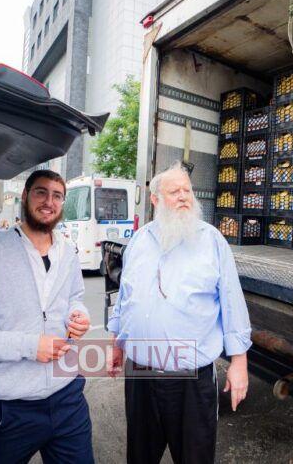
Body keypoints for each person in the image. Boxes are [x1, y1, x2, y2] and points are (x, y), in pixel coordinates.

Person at [106, 162, 252, 464]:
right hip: (141, 375)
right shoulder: (139, 241)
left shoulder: (211, 240)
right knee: (140, 456)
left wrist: (239, 363)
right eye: (174, 191)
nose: (184, 196)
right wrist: (116, 343)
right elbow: (126, 298)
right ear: (156, 199)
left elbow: (232, 303)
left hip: (191, 380)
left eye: (187, 190)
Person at [0, 170, 94, 464]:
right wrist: (30, 346)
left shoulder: (68, 251)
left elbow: (75, 296)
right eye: (41, 192)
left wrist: (79, 314)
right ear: (25, 196)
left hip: (67, 397)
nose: (49, 201)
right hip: (8, 409)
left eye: (57, 195)